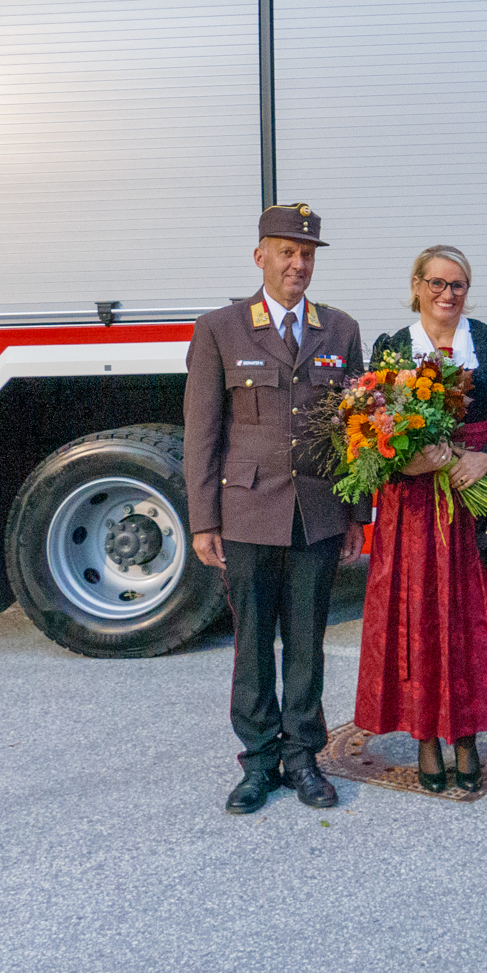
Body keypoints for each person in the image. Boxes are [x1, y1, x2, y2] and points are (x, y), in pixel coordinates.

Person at [185, 204, 367, 814]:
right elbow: (203, 432)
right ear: (259, 255)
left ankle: (303, 758)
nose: (298, 263)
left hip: (317, 512)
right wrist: (204, 519)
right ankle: (259, 762)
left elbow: (358, 432)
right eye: (286, 251)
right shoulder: (221, 328)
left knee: (308, 642)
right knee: (254, 642)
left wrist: (356, 513)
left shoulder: (339, 329)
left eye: (307, 253)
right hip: (248, 511)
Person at [355, 246, 487, 792]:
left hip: (479, 494)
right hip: (416, 509)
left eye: (458, 284)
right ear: (417, 285)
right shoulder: (393, 349)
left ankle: (466, 734)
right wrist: (409, 460)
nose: (447, 294)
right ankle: (425, 736)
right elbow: (373, 436)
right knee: (421, 620)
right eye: (437, 283)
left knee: (475, 622)